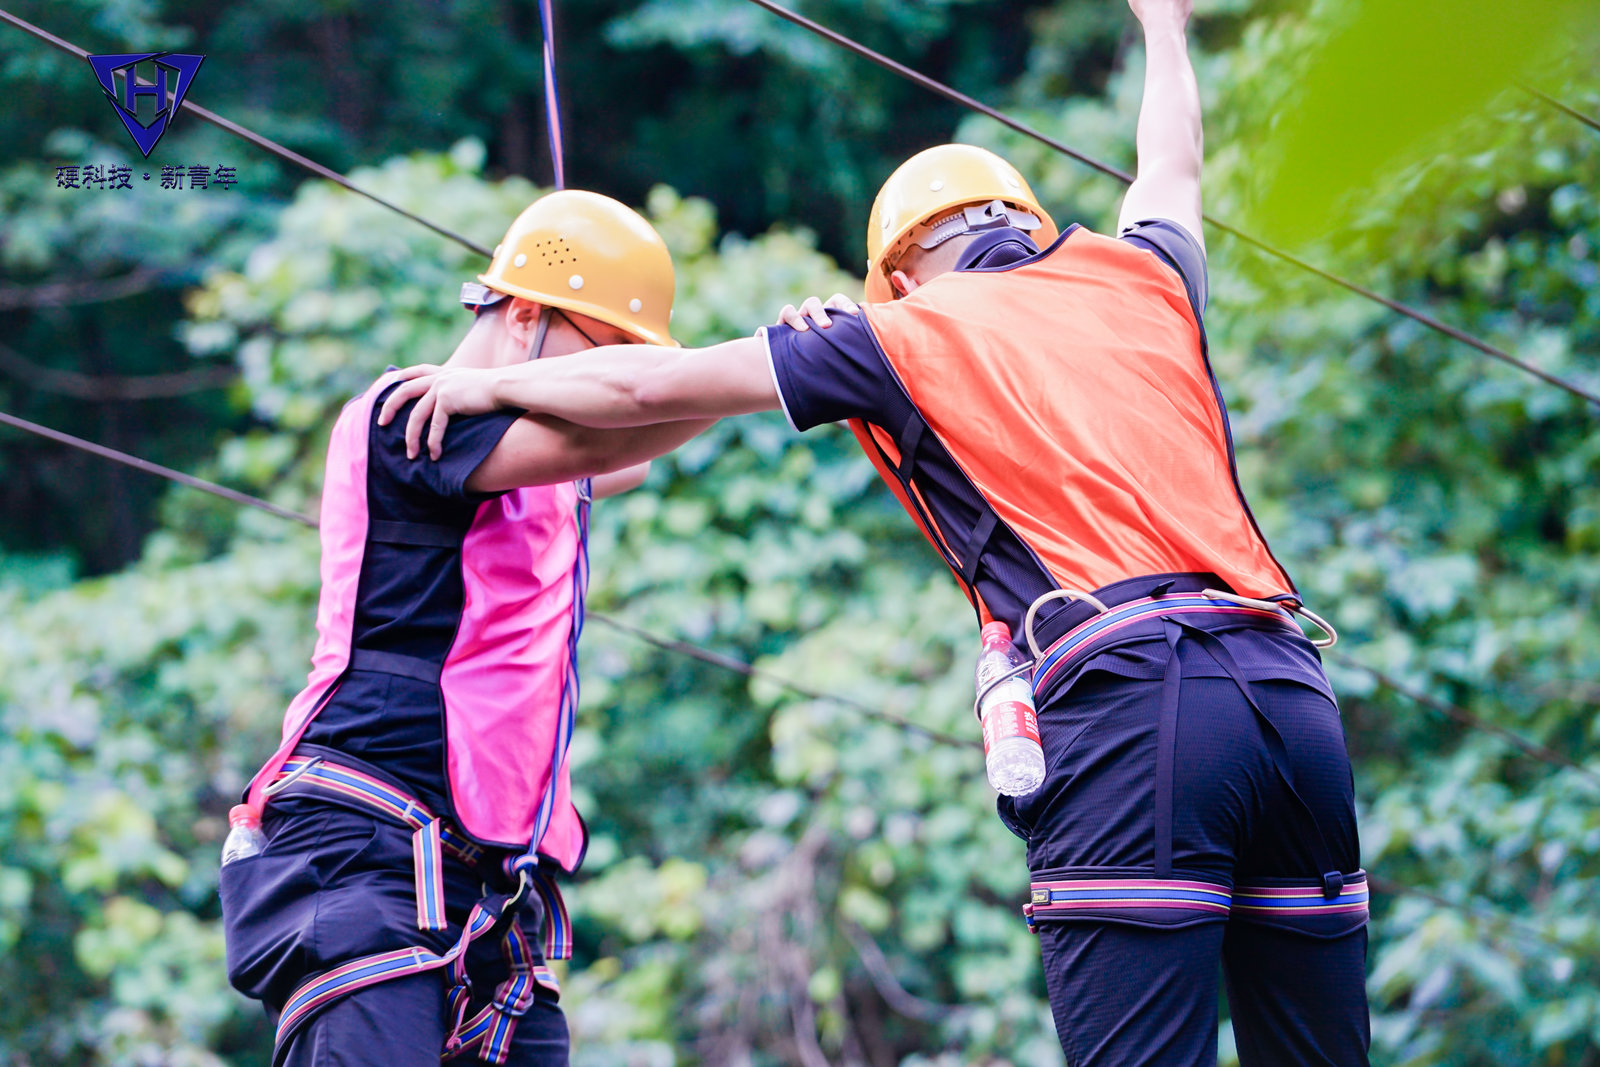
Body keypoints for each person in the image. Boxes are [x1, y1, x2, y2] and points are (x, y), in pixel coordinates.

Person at [377, 0, 1372, 1061]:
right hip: (1292, 698)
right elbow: (1169, 168)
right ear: (1028, 224)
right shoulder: (1147, 280)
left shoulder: (895, 332)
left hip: (1141, 710)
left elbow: (644, 386)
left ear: (896, 270)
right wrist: (1164, 31)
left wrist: (480, 386)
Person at [219, 189, 712, 1067]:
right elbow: (620, 424)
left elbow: (640, 432)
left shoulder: (545, 459)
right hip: (364, 845)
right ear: (525, 314)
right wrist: (804, 364)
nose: (610, 385)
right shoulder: (416, 415)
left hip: (480, 884)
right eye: (605, 352)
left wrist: (810, 359)